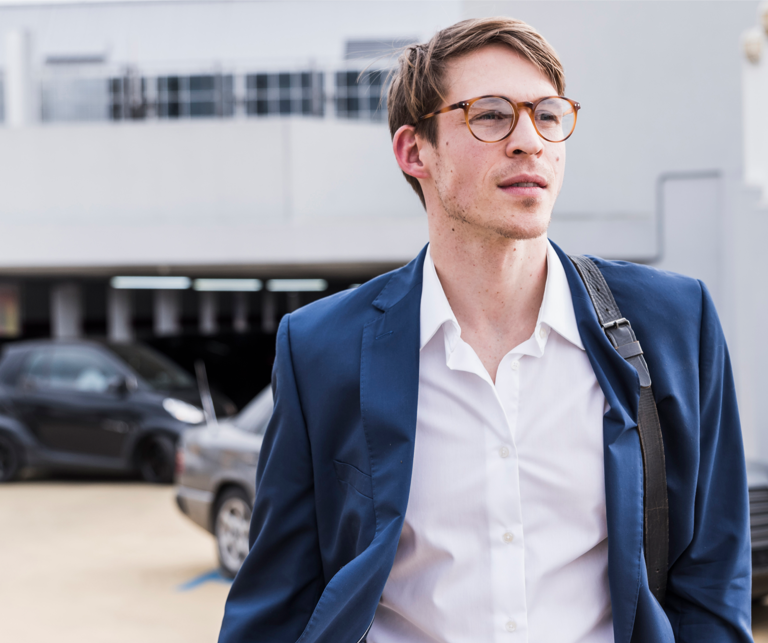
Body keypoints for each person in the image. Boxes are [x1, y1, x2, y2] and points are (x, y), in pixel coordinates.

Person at [218, 17, 752, 643]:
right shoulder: (320, 349)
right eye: (492, 115)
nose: (530, 140)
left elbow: (712, 584)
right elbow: (276, 603)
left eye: (548, 115)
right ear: (415, 151)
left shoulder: (672, 323)